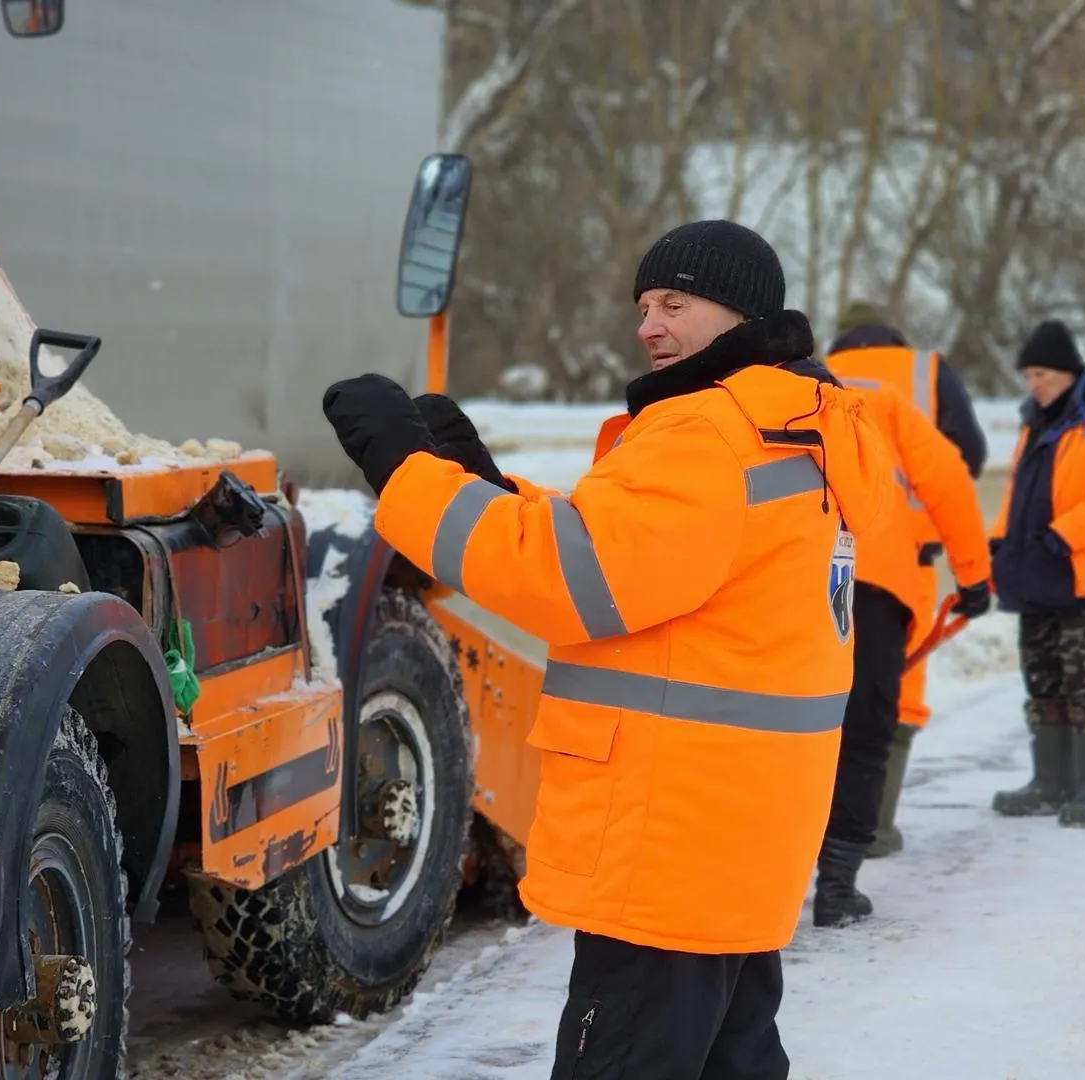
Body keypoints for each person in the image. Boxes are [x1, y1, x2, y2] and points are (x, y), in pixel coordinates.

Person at [321, 219, 896, 1079]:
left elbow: (569, 578)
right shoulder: (797, 428)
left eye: (675, 303)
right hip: (738, 838)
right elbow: (636, 558)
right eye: (643, 306)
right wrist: (488, 488)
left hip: (669, 844)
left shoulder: (707, 434)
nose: (649, 326)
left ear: (739, 314)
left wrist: (407, 469)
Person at [825, 302, 991, 861]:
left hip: (805, 562)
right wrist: (973, 576)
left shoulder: (809, 375)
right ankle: (870, 832)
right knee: (889, 699)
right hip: (899, 558)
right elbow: (962, 461)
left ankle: (806, 834)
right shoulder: (924, 373)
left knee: (810, 695)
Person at [986, 320, 1085, 828]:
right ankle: (1049, 785)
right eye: (1029, 374)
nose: (1035, 383)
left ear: (1067, 370)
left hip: (1083, 574)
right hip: (1034, 574)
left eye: (1043, 373)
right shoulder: (1035, 419)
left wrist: (1064, 534)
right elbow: (1017, 492)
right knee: (1042, 681)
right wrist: (998, 541)